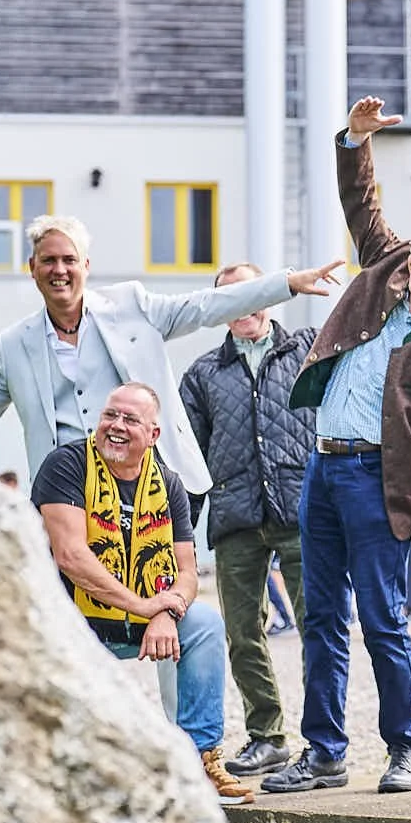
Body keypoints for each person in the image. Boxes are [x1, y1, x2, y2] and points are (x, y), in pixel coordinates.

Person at [254, 96, 411, 798]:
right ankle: (324, 750)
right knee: (318, 616)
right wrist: (355, 140)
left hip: (377, 484)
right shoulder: (387, 264)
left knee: (384, 620)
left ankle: (407, 749)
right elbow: (363, 204)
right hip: (322, 467)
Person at [0, 216, 341, 502]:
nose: (59, 269)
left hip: (151, 481)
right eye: (48, 260)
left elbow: (204, 306)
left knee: (167, 612)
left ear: (86, 266)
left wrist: (284, 283)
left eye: (68, 260)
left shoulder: (131, 306)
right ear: (32, 269)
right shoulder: (15, 344)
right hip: (71, 491)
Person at [33, 383, 251, 805]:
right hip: (70, 624)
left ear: (153, 434)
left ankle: (198, 759)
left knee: (204, 624)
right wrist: (146, 606)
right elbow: (71, 556)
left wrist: (167, 612)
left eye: (130, 419)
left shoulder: (169, 483)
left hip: (143, 618)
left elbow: (186, 570)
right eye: (110, 415)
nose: (115, 426)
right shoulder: (66, 465)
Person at [179, 260, 322, 781]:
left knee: (317, 625)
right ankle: (267, 736)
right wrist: (184, 533)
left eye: (252, 292)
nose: (244, 304)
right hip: (235, 515)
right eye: (231, 297)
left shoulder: (309, 348)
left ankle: (322, 739)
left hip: (302, 511)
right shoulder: (202, 375)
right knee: (243, 631)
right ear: (221, 311)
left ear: (269, 298)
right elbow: (188, 456)